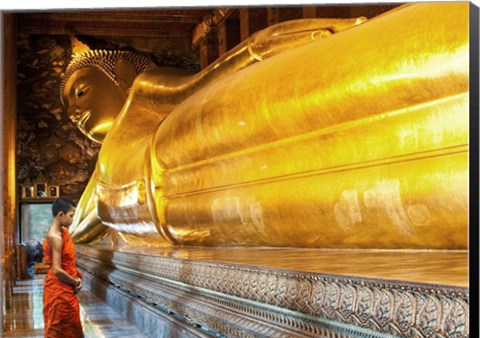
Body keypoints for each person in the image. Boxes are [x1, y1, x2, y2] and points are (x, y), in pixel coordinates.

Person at [61, 3, 468, 249]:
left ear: (125, 71)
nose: (74, 112)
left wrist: (261, 46)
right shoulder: (101, 177)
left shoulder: (144, 95)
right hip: (189, 209)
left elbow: (205, 80)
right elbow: (84, 225)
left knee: (336, 93)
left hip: (185, 137)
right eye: (66, 109)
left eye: (79, 93)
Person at [43, 197, 83, 338]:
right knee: (58, 329)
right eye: (71, 215)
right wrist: (75, 282)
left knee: (71, 328)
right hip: (58, 289)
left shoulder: (63, 232)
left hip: (65, 287)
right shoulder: (55, 236)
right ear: (61, 215)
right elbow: (58, 270)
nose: (73, 219)